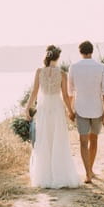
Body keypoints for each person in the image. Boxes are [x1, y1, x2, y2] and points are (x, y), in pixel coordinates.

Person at [24, 45, 81, 188]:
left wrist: (27, 108)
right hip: (56, 108)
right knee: (58, 139)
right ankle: (60, 174)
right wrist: (70, 111)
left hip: (43, 109)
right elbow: (66, 97)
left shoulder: (39, 72)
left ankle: (44, 176)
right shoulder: (62, 74)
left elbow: (34, 92)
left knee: (44, 139)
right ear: (57, 58)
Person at [68, 40, 104, 183]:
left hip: (80, 108)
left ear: (80, 52)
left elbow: (70, 91)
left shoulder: (74, 67)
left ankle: (87, 173)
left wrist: (70, 110)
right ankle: (90, 169)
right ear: (92, 51)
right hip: (97, 108)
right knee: (94, 139)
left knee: (83, 141)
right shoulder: (101, 67)